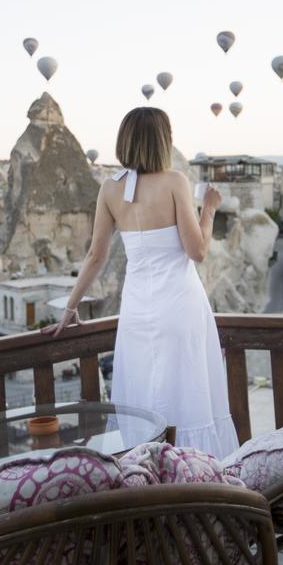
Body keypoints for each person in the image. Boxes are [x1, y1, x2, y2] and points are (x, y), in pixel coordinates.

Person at [44, 107, 239, 458]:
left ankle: (145, 481)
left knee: (144, 397)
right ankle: (196, 478)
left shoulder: (109, 189)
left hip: (136, 312)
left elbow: (95, 256)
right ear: (162, 141)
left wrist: (70, 308)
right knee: (188, 397)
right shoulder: (175, 181)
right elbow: (197, 251)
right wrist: (208, 209)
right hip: (180, 306)